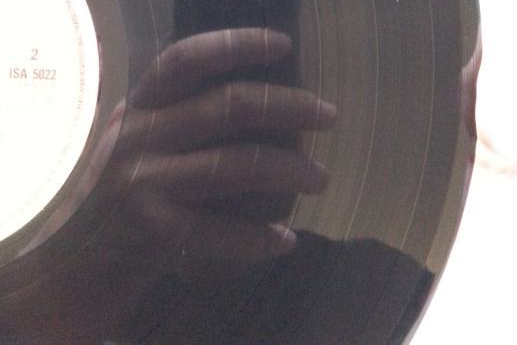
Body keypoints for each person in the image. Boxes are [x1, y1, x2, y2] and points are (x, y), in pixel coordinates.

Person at [0, 28, 432, 344]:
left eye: (267, 97)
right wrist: (53, 291)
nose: (236, 127)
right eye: (195, 99)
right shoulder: (376, 289)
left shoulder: (380, 286)